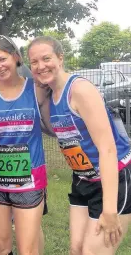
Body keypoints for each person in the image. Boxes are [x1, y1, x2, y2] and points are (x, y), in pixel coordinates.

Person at [28, 36, 131, 255]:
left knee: (92, 252)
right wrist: (40, 94)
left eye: (46, 58)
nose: (40, 66)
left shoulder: (80, 90)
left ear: (60, 58)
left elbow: (108, 148)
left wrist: (110, 209)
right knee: (76, 249)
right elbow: (54, 131)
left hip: (114, 176)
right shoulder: (52, 94)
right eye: (34, 62)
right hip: (83, 177)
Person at [0, 35, 50, 255]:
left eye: (2, 59)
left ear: (15, 57)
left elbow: (52, 127)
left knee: (28, 248)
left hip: (30, 181)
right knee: (1, 246)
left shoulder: (36, 90)